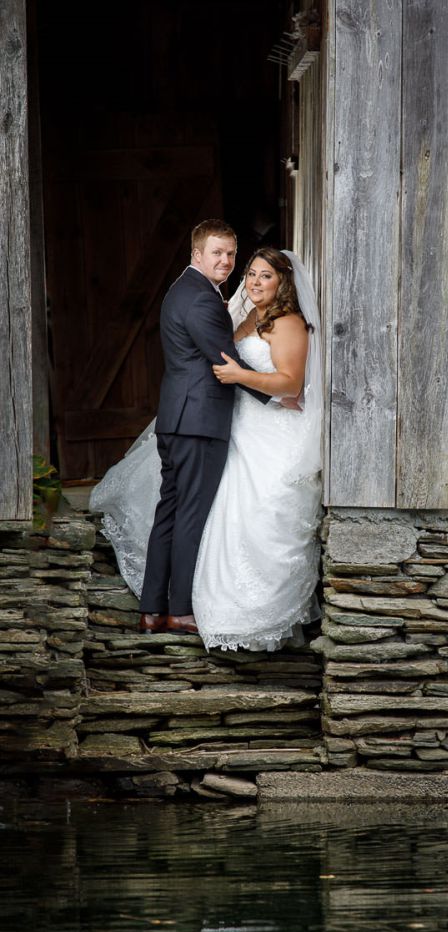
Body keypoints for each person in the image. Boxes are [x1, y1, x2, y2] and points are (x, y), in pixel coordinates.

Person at [90, 246, 323, 651]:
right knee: (205, 509)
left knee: (252, 511)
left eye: (265, 276)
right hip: (233, 421)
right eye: (251, 274)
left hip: (269, 430)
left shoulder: (288, 323)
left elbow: (291, 384)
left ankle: (234, 611)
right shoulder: (248, 317)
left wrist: (240, 376)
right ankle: (184, 603)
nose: (254, 282)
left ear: (283, 282)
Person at [132, 219, 271, 636]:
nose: (226, 261)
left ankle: (151, 610)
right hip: (199, 422)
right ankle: (180, 611)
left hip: (178, 419)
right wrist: (277, 395)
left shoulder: (185, 290)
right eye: (217, 252)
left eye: (231, 253)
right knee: (190, 517)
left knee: (170, 514)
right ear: (197, 254)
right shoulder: (200, 299)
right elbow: (226, 361)